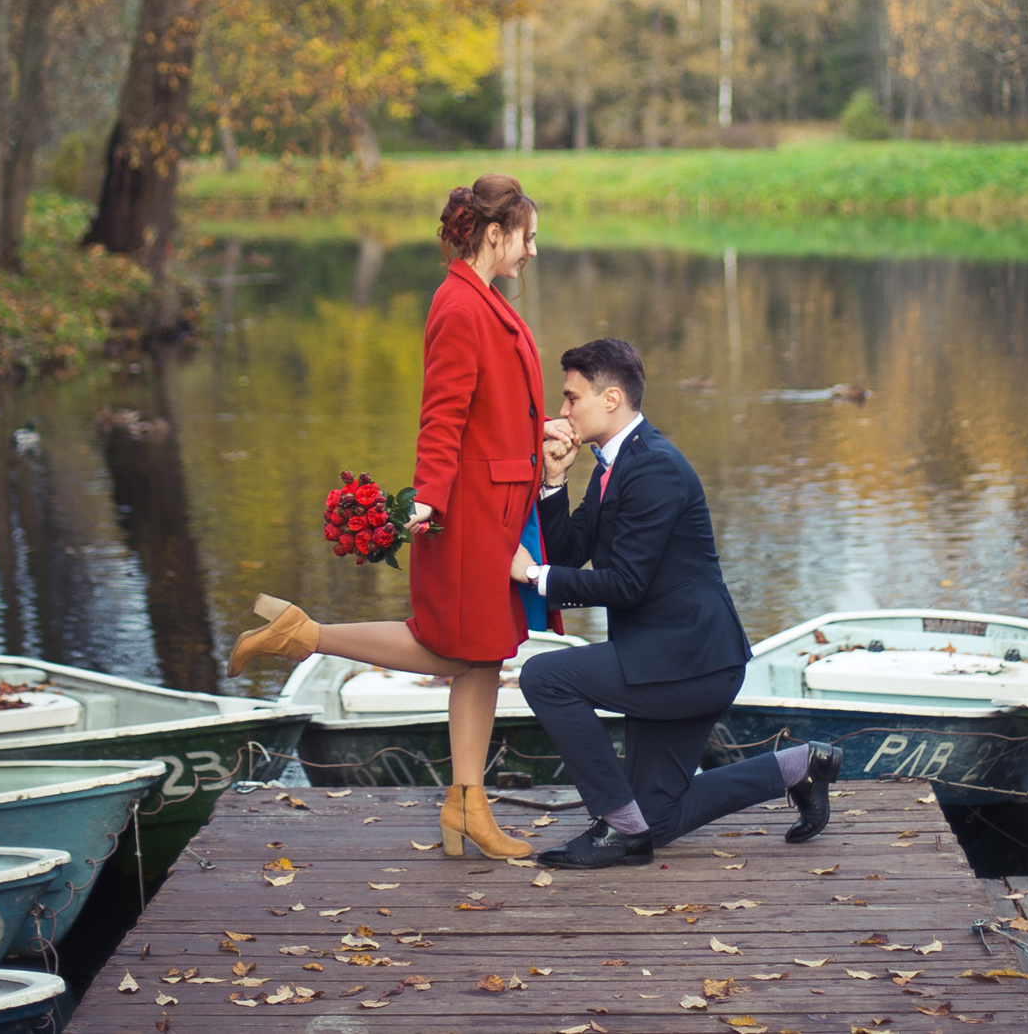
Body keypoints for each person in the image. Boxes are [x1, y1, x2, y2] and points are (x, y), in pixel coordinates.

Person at [227, 174, 552, 862]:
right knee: (452, 646)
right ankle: (306, 633)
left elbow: (495, 407)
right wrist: (430, 496)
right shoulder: (459, 305)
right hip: (466, 514)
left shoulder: (483, 299)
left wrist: (540, 437)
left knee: (481, 655)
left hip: (497, 506)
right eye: (527, 235)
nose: (532, 249)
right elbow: (443, 411)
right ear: (494, 234)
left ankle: (467, 805)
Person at [514, 338, 840, 869]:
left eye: (572, 399)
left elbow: (625, 585)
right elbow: (572, 551)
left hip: (690, 662)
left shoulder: (655, 468)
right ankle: (800, 767)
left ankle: (615, 825)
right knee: (655, 821)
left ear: (612, 398)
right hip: (662, 659)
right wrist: (554, 481)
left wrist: (531, 574)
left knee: (546, 679)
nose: (563, 411)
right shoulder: (610, 468)